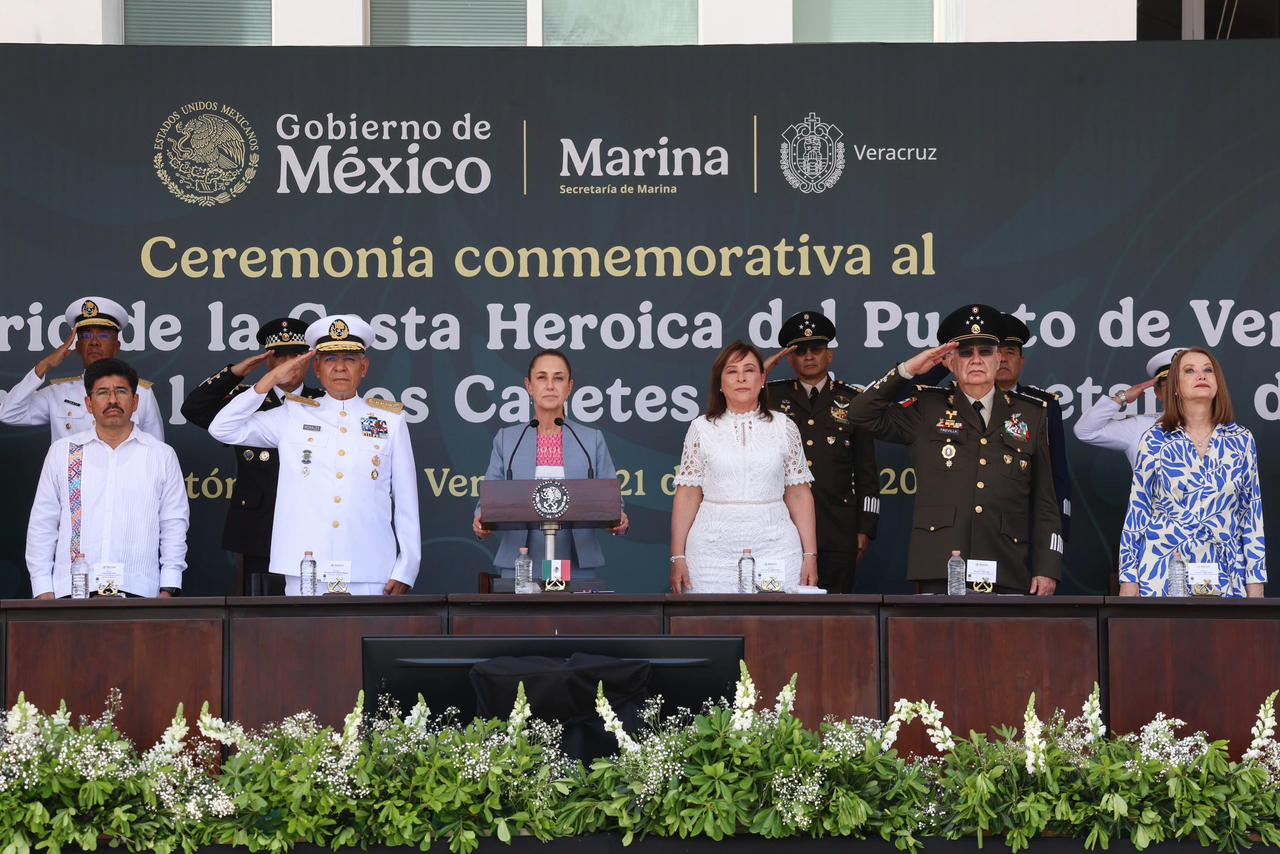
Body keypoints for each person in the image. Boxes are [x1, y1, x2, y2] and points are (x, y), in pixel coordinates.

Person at [846, 304, 1062, 595]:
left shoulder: (1032, 415)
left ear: (999, 358)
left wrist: (1047, 567)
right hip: (939, 564)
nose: (976, 360)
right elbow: (860, 414)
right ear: (949, 361)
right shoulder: (927, 408)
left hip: (1007, 564)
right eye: (965, 353)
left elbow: (1046, 501)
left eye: (985, 351)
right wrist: (908, 370)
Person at [208, 314, 419, 595]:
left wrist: (407, 568)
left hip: (370, 565)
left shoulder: (390, 420)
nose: (340, 368)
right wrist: (270, 379)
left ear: (364, 367)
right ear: (317, 368)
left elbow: (406, 500)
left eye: (350, 359)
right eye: (330, 359)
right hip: (306, 566)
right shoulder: (293, 414)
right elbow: (222, 429)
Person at [181, 318, 322, 595]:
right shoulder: (246, 400)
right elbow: (194, 409)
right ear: (268, 361)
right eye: (279, 357)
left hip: (310, 523)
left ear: (308, 360)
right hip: (258, 527)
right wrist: (236, 372)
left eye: (295, 355)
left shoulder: (323, 402)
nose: (287, 364)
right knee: (257, 610)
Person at [25, 358, 187, 598]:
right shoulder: (64, 452)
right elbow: (43, 522)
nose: (112, 400)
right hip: (73, 591)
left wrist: (169, 588)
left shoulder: (161, 455)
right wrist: (43, 589)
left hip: (140, 590)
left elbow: (174, 524)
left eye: (121, 391)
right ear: (89, 404)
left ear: (135, 401)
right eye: (102, 393)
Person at [670, 340, 818, 594]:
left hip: (776, 548)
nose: (741, 378)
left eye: (749, 370)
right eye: (732, 371)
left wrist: (810, 554)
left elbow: (799, 494)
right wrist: (677, 556)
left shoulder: (784, 426)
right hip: (711, 552)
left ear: (762, 379)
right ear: (720, 383)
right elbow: (688, 495)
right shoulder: (701, 428)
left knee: (776, 617)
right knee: (708, 618)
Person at [1119, 348, 1265, 598]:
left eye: (1208, 370)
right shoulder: (1154, 439)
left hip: (1225, 573)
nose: (1201, 375)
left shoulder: (1241, 439)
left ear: (1218, 383)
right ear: (1175, 387)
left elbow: (1251, 515)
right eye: (1189, 371)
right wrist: (1128, 578)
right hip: (1163, 570)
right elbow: (1138, 510)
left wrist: (1256, 583)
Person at [473, 349, 628, 581]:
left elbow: (613, 503)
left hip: (577, 563)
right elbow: (487, 503)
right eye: (541, 377)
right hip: (520, 562)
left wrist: (618, 519)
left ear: (569, 387)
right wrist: (481, 521)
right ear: (529, 385)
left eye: (558, 378)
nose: (550, 386)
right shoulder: (507, 439)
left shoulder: (590, 440)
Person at [763, 310, 879, 593]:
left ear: (830, 355)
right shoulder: (770, 398)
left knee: (836, 612)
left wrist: (866, 527)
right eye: (800, 351)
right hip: (783, 525)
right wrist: (762, 372)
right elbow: (729, 397)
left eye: (816, 349)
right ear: (790, 359)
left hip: (837, 528)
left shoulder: (853, 400)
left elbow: (866, 471)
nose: (809, 356)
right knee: (780, 609)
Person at [0, 297, 164, 441]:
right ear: (78, 347)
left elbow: (157, 451)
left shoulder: (141, 393)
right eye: (86, 336)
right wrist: (45, 365)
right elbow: (8, 413)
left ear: (117, 346)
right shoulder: (58, 393)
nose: (94, 342)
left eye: (103, 335)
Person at [997, 314, 1072, 540]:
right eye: (996, 352)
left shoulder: (1043, 406)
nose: (1002, 359)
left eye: (1010, 352)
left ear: (1021, 361)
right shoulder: (962, 402)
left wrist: (1059, 528)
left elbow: (1056, 471)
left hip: (1024, 524)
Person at [1073, 347, 1183, 469]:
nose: (1180, 390)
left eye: (1187, 383)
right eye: (1172, 385)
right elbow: (1085, 431)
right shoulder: (1142, 426)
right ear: (1158, 393)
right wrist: (1122, 398)